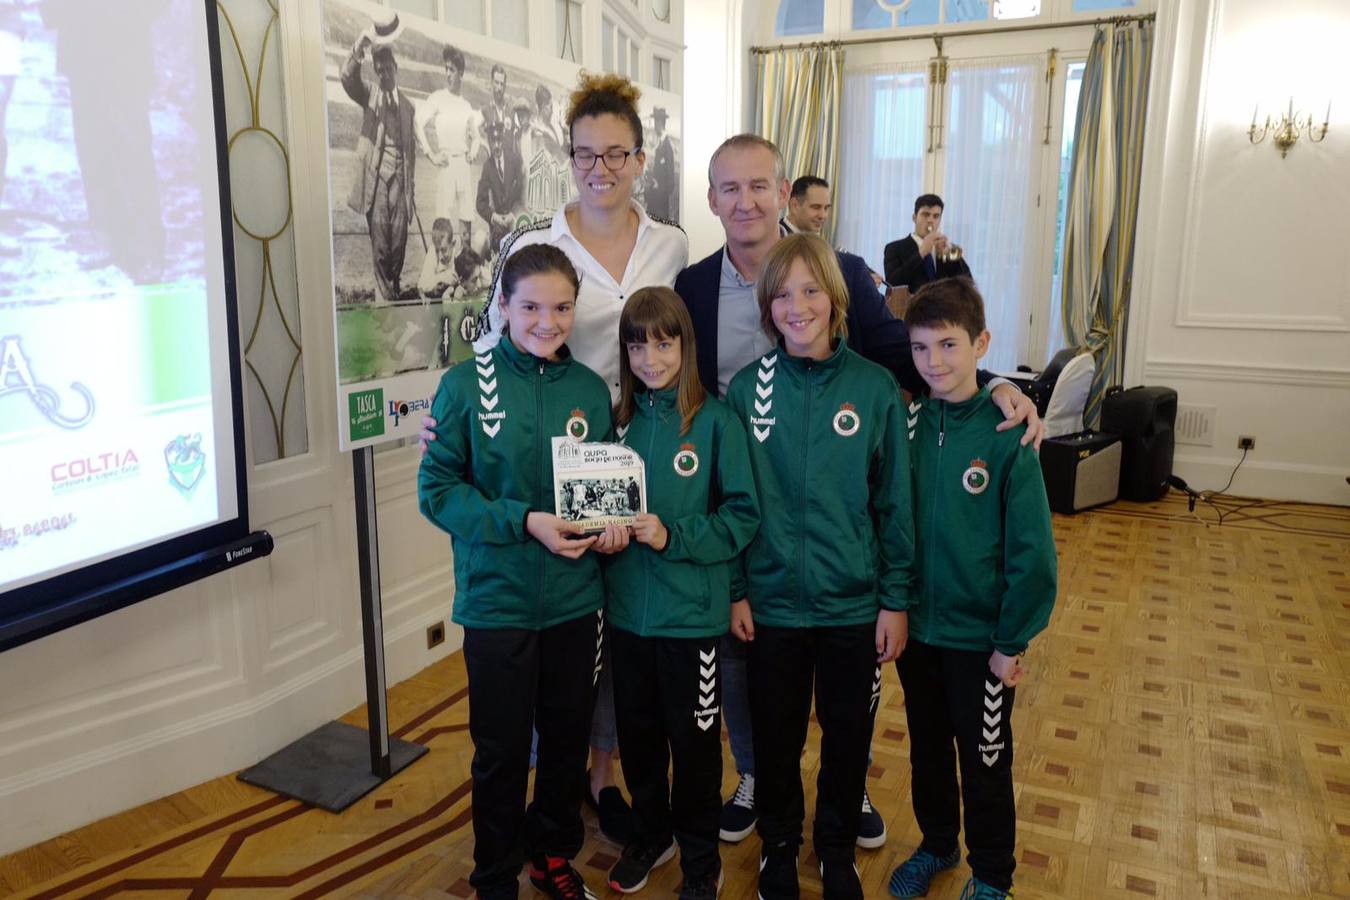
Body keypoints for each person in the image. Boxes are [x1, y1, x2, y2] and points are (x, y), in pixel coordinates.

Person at [674, 134, 1043, 850]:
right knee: (755, 680)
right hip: (748, 520)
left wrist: (995, 384)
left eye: (759, 185)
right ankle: (756, 778)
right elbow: (668, 380)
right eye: (729, 188)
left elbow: (913, 348)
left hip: (841, 545)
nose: (745, 200)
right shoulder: (692, 285)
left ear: (783, 193)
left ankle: (845, 804)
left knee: (846, 706)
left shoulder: (839, 269)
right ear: (713, 199)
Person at [429, 71, 690, 843]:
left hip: (634, 451)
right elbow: (486, 345)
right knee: (551, 655)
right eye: (585, 153)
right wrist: (441, 420)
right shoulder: (536, 241)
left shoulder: (671, 242)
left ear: (640, 158)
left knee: (610, 636)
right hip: (545, 461)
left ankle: (599, 777)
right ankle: (545, 790)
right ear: (568, 156)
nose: (600, 167)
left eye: (616, 153)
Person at [418, 243, 624, 900]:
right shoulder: (462, 385)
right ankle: (494, 872)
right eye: (531, 306)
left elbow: (599, 498)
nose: (547, 321)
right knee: (502, 752)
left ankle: (554, 855)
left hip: (574, 602)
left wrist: (609, 528)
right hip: (497, 602)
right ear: (503, 306)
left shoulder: (589, 391)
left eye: (561, 307)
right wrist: (524, 520)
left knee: (564, 743)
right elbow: (438, 491)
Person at [726, 234, 913, 900]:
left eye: (810, 290)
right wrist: (738, 590)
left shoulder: (874, 387)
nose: (796, 306)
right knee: (775, 737)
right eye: (781, 294)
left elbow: (894, 504)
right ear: (767, 307)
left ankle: (833, 847)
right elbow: (733, 502)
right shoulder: (748, 391)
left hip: (851, 606)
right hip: (771, 606)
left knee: (846, 735)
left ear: (835, 300)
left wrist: (894, 600)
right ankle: (779, 845)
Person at [887, 278, 1057, 900]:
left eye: (950, 346)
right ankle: (936, 845)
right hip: (918, 633)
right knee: (928, 751)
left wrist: (1012, 641)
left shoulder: (1009, 433)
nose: (935, 362)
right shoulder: (903, 423)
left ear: (981, 343)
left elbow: (1033, 555)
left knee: (985, 760)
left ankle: (992, 875)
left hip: (982, 641)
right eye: (922, 348)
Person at [602, 287, 760, 900]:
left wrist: (674, 535)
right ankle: (651, 836)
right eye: (637, 345)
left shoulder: (717, 423)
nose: (650, 358)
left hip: (692, 620)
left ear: (685, 345)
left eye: (663, 343)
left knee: (694, 750)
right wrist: (603, 536)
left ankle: (700, 861)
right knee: (639, 742)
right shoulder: (617, 425)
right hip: (627, 618)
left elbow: (743, 517)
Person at [41, 0, 169, 280]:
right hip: (81, 48)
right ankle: (106, 236)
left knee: (132, 148)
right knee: (91, 149)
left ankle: (147, 247)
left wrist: (129, 16)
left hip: (125, 51)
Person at [341, 12, 417, 304]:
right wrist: (358, 48)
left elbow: (411, 154)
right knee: (381, 248)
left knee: (398, 247)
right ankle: (384, 303)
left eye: (388, 69)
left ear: (396, 69)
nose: (385, 74)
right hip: (376, 183)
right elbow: (348, 79)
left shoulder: (409, 108)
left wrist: (410, 194)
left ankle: (391, 293)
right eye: (380, 70)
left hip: (400, 186)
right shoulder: (369, 95)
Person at [415, 44, 479, 249]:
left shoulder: (466, 106)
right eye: (446, 69)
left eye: (452, 70)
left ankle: (464, 273)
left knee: (466, 224)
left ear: (461, 73)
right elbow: (417, 123)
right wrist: (431, 154)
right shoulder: (437, 98)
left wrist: (474, 151)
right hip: (446, 165)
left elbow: (476, 136)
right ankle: (439, 273)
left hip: (463, 166)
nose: (447, 74)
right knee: (442, 223)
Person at [883, 193, 972, 295]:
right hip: (911, 309)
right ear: (914, 218)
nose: (930, 220)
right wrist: (921, 253)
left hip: (943, 309)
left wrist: (951, 258)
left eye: (936, 216)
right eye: (925, 214)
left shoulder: (943, 247)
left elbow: (968, 282)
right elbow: (892, 283)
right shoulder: (894, 248)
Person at [476, 115, 522, 254]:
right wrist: (494, 217)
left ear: (502, 139)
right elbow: (480, 203)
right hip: (497, 226)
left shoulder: (514, 160)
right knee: (479, 241)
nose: (496, 145)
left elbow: (524, 192)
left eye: (498, 140)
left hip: (515, 220)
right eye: (493, 141)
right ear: (488, 141)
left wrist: (513, 214)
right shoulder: (487, 167)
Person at [643, 107, 676, 220]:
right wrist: (651, 176)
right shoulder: (660, 146)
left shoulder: (667, 148)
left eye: (655, 122)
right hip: (654, 205)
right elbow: (660, 174)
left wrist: (657, 186)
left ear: (660, 123)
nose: (654, 126)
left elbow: (670, 185)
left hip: (660, 208)